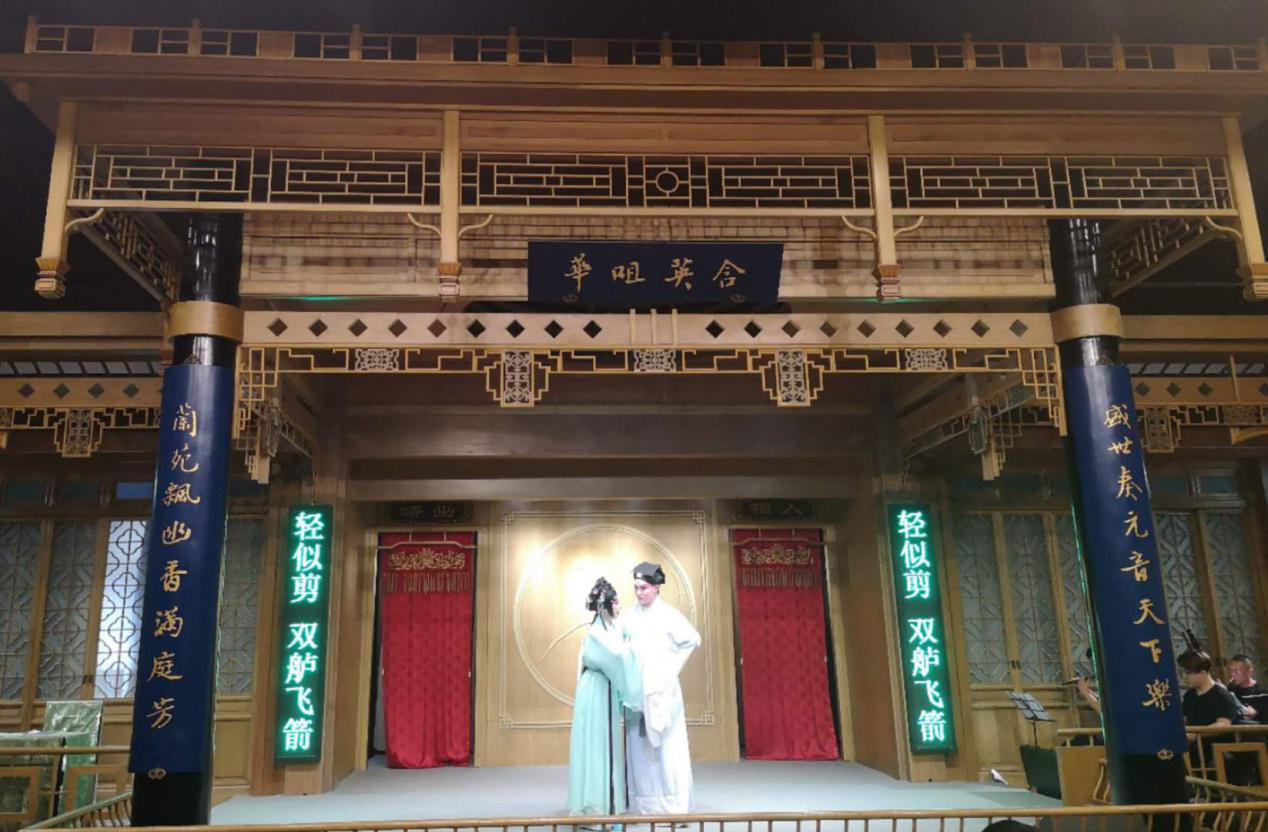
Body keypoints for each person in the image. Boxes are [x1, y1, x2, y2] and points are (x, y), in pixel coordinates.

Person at [623, 562, 701, 816]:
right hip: (637, 691)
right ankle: (644, 804)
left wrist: (668, 669)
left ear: (656, 588)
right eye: (636, 587)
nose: (639, 592)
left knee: (667, 748)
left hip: (663, 689)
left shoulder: (669, 615)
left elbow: (692, 639)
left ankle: (672, 805)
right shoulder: (629, 616)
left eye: (644, 588)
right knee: (639, 748)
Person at [568, 578, 643, 820]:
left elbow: (623, 642)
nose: (619, 606)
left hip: (605, 689)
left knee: (605, 743)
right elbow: (618, 657)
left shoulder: (609, 629)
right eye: (616, 602)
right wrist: (632, 649)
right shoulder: (596, 633)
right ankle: (595, 806)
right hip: (596, 691)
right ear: (604, 605)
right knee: (596, 745)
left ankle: (607, 804)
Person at [1180, 648, 1244, 779]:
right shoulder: (1189, 696)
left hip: (1217, 749)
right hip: (1194, 748)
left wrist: (1195, 734)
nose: (1185, 677)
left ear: (1203, 673)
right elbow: (1184, 719)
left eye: (1188, 673)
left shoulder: (1221, 696)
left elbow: (1224, 724)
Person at [1226, 654, 1268, 724]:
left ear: (1249, 672)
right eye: (1231, 671)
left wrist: (1257, 713)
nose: (1232, 675)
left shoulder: (1263, 693)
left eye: (1236, 671)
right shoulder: (1230, 690)